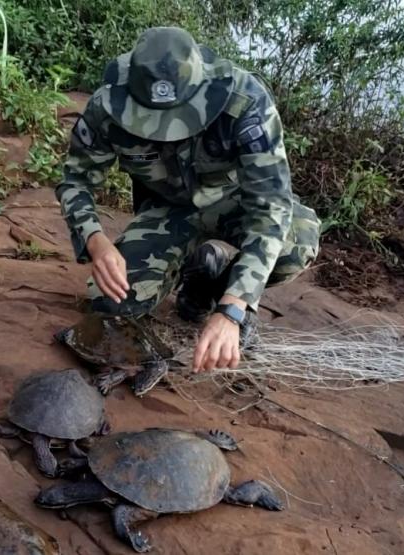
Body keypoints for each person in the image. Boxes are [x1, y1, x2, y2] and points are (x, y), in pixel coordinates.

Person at [56, 26, 320, 375]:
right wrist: (97, 242)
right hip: (167, 210)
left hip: (233, 201)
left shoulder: (244, 102)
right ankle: (195, 266)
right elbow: (75, 180)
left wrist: (233, 309)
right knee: (112, 302)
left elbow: (271, 207)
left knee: (296, 245)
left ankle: (212, 285)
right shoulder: (108, 106)